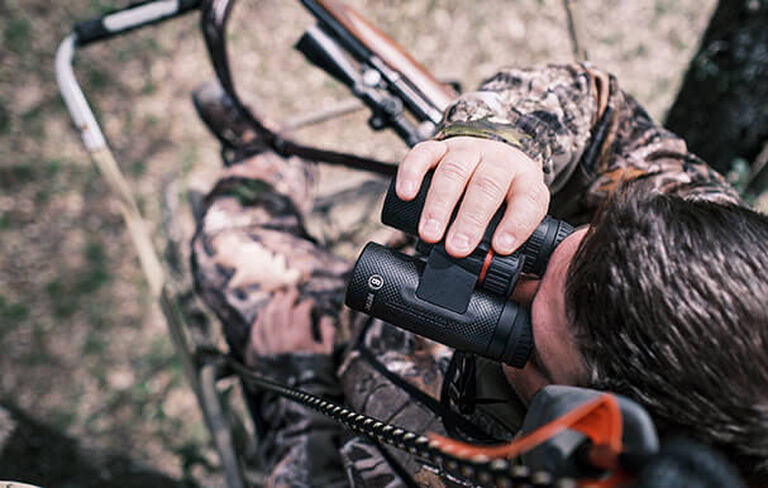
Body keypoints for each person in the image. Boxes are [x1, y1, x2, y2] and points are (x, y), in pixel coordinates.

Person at [191, 63, 768, 487]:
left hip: (340, 422)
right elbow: (598, 107)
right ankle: (268, 158)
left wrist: (308, 429)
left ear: (571, 424)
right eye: (561, 245)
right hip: (361, 324)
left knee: (226, 244)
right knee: (234, 231)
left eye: (528, 335)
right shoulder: (703, 236)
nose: (496, 278)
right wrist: (502, 142)